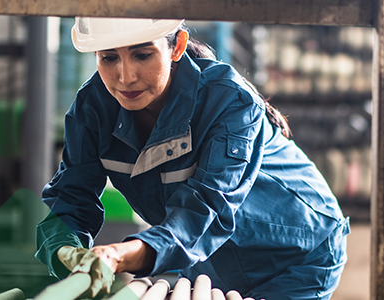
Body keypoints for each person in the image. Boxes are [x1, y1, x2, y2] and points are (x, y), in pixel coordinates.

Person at [34, 17, 349, 300]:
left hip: (298, 256)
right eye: (108, 58)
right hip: (208, 257)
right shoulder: (92, 109)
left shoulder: (229, 102)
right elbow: (72, 198)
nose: (125, 77)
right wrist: (67, 252)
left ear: (177, 46)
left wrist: (118, 255)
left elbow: (204, 210)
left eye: (142, 55)